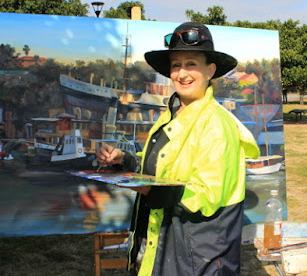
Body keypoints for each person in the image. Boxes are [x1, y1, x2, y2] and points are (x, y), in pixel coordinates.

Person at [96, 22, 260, 275]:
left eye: (191, 63)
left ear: (210, 70)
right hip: (162, 243)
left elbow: (207, 195)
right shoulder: (172, 115)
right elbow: (160, 168)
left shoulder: (216, 124)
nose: (182, 74)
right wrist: (125, 161)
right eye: (176, 65)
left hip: (197, 258)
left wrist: (150, 189)